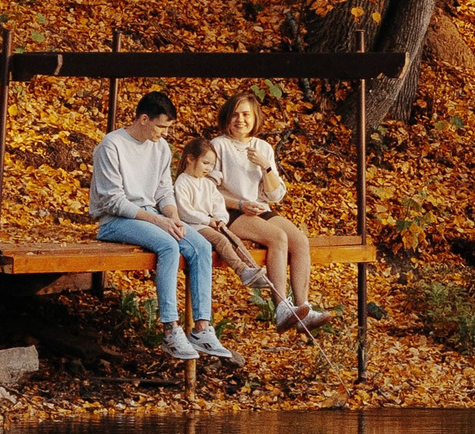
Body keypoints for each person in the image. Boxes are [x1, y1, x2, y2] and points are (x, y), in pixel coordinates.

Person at [89, 92, 235, 363]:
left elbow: (164, 191)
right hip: (115, 221)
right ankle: (170, 330)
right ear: (144, 119)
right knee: (168, 245)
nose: (165, 133)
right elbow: (112, 201)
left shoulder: (161, 148)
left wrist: (173, 217)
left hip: (152, 215)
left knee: (201, 246)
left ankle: (202, 329)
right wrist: (159, 221)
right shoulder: (112, 145)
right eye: (161, 126)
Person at [212, 91, 331, 332]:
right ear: (227, 117)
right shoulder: (218, 146)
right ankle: (282, 308)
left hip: (259, 208)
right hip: (229, 210)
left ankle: (303, 308)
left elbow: (275, 196)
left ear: (255, 118)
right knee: (278, 237)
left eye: (246, 114)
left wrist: (265, 166)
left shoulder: (262, 147)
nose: (240, 120)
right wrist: (240, 204)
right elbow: (207, 191)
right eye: (235, 114)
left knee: (300, 241)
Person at [176, 133, 281, 312]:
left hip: (210, 223)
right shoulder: (182, 182)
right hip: (194, 226)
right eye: (205, 163)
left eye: (211, 165)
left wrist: (221, 219)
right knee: (221, 240)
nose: (208, 168)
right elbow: (185, 211)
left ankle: (253, 269)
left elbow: (218, 203)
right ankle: (242, 270)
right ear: (190, 159)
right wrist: (209, 220)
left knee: (233, 238)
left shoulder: (207, 184)